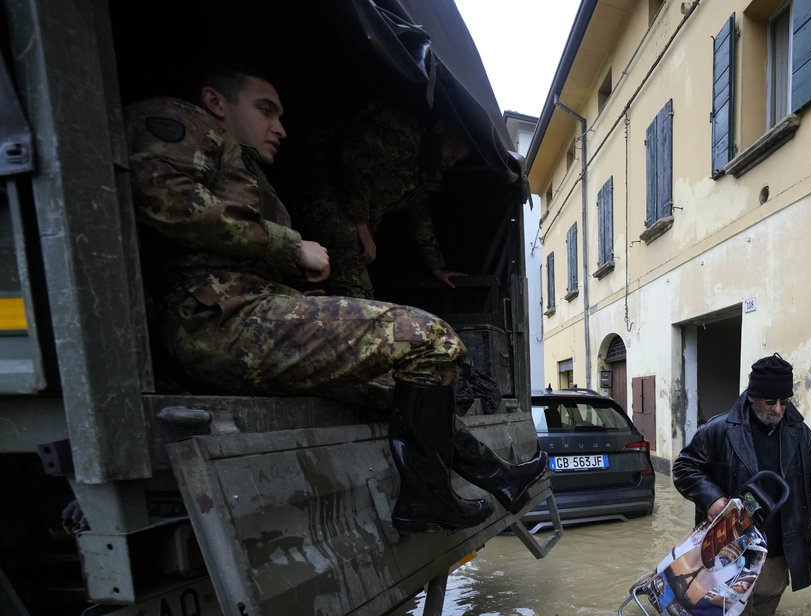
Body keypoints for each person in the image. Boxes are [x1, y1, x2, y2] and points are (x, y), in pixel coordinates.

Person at [123, 62, 547, 534]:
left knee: (397, 385)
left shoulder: (245, 167)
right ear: (216, 102)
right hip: (215, 319)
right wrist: (295, 245)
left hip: (243, 311)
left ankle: (496, 477)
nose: (280, 127)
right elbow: (164, 201)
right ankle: (426, 498)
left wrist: (295, 286)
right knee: (430, 340)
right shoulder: (180, 121)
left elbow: (414, 218)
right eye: (266, 111)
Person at [673, 353, 811, 616]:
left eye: (784, 402)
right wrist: (713, 499)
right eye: (770, 402)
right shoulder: (718, 430)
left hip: (777, 557)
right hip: (728, 556)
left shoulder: (801, 435)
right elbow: (684, 468)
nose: (778, 409)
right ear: (752, 396)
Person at [297, 101, 467, 298]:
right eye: (453, 148)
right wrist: (362, 225)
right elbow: (353, 164)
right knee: (357, 293)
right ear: (440, 129)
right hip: (329, 198)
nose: (451, 159)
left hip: (354, 219)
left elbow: (420, 219)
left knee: (332, 276)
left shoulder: (428, 170)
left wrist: (436, 267)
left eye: (458, 158)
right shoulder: (404, 134)